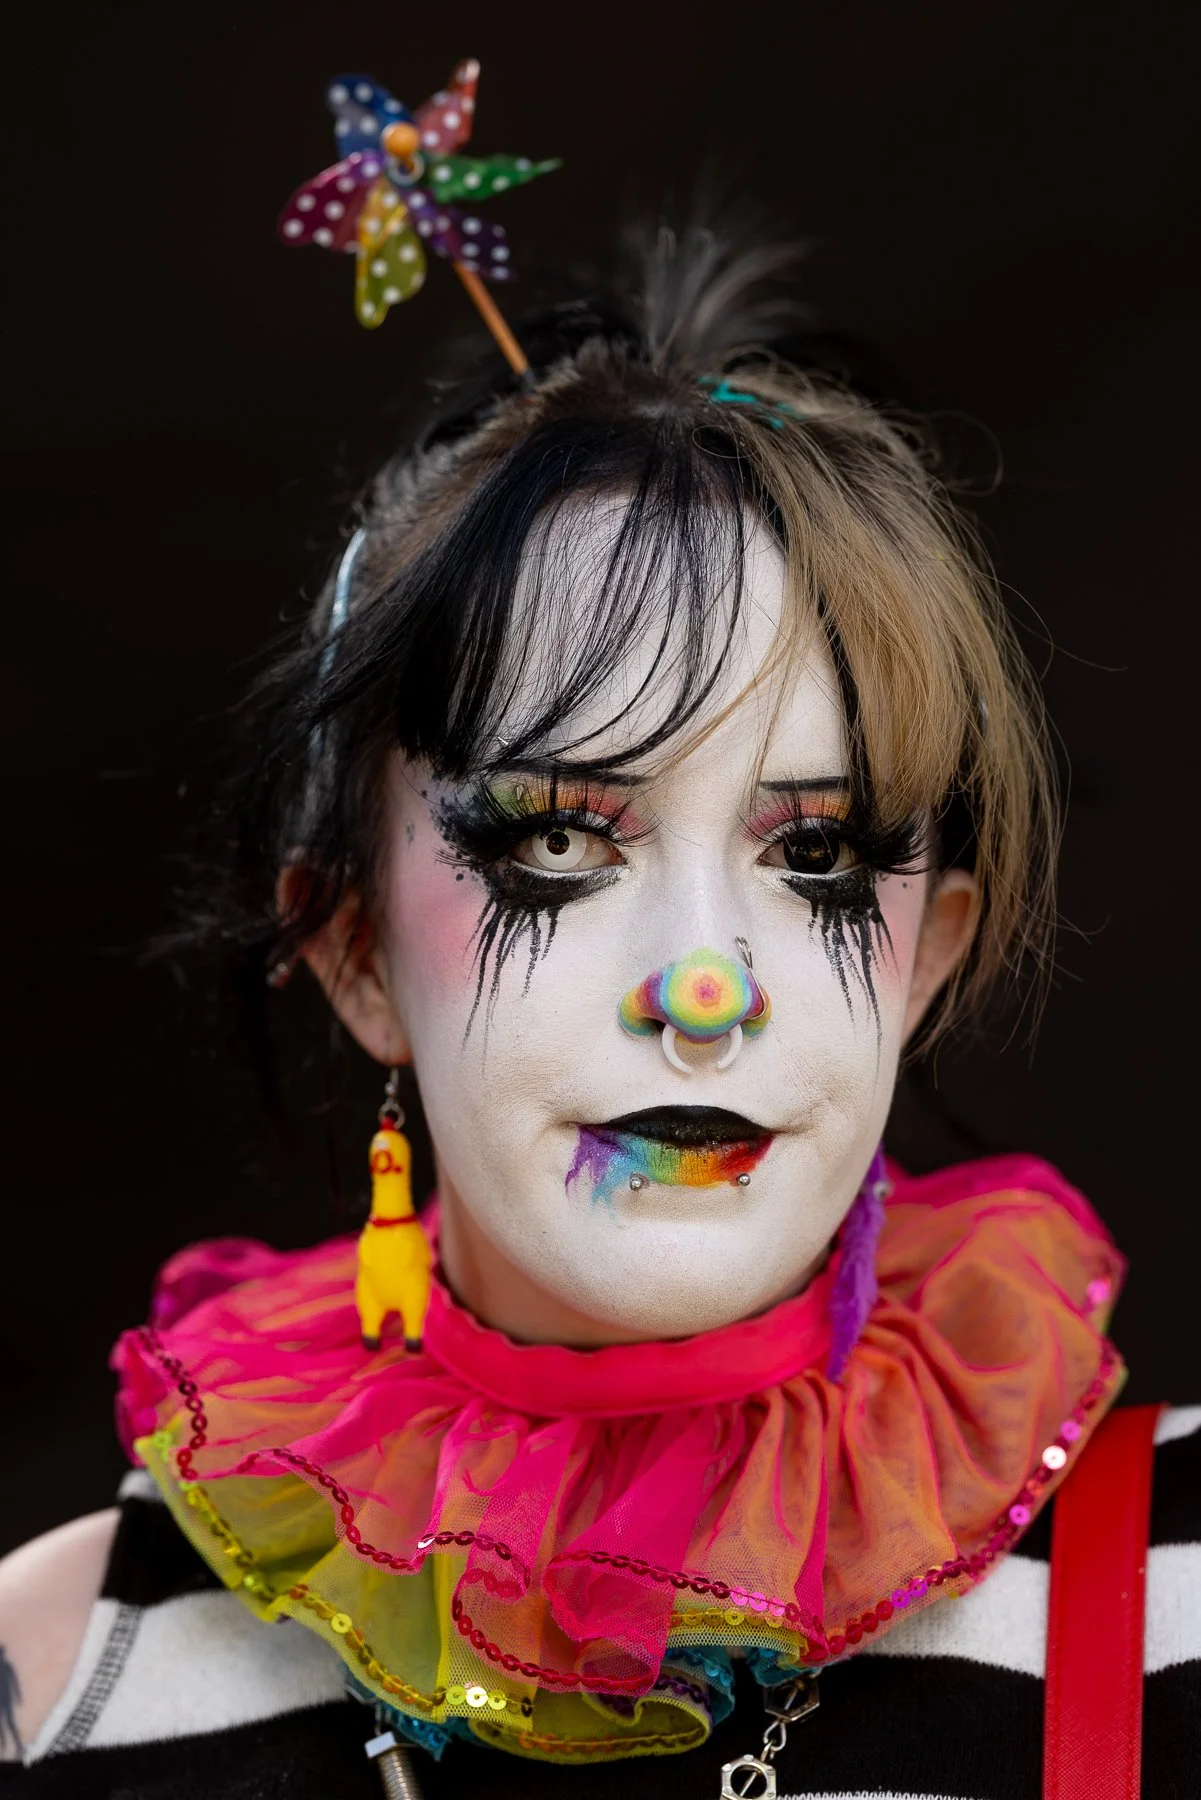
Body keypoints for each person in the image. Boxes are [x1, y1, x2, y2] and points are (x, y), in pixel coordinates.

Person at [1, 236, 1197, 1799]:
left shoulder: (1175, 1589)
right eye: (558, 841)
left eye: (816, 855)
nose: (707, 992)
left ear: (924, 958)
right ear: (357, 952)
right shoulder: (53, 1662)